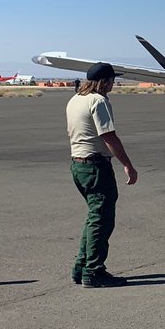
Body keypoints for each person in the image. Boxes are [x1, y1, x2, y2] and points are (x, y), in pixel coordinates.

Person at [66, 62, 138, 288]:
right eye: (112, 80)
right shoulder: (98, 101)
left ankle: (81, 266)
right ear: (105, 81)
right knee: (102, 220)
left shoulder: (75, 99)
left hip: (78, 165)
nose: (114, 84)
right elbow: (109, 137)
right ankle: (94, 271)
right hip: (96, 166)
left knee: (93, 218)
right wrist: (128, 164)